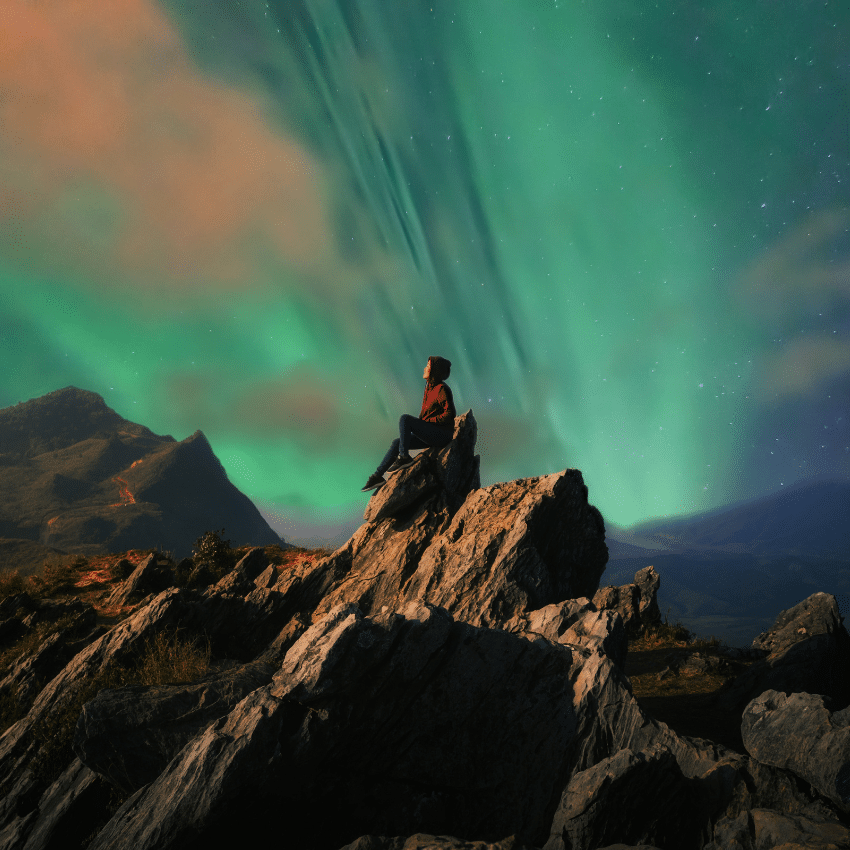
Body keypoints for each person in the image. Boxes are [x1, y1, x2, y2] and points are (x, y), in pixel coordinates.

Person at [361, 355, 456, 492]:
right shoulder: (429, 387)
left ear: (434, 370)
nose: (424, 368)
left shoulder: (441, 389)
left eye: (428, 366)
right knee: (396, 442)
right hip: (432, 433)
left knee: (405, 419)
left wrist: (427, 423)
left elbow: (450, 414)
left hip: (442, 435)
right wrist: (423, 424)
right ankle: (377, 476)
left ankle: (404, 457)